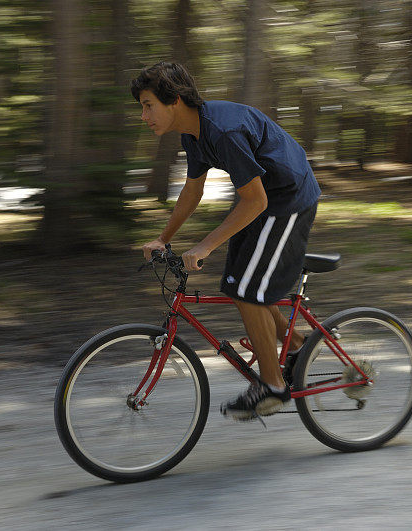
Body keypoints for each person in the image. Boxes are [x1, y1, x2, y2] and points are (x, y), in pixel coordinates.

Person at [131, 61, 320, 421]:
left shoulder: (223, 130)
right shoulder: (193, 132)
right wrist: (163, 238)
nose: (143, 116)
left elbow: (258, 200)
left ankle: (273, 386)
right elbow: (193, 189)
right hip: (261, 200)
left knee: (249, 289)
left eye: (147, 104)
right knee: (238, 283)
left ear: (174, 101)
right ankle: (296, 343)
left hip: (288, 198)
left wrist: (205, 245)